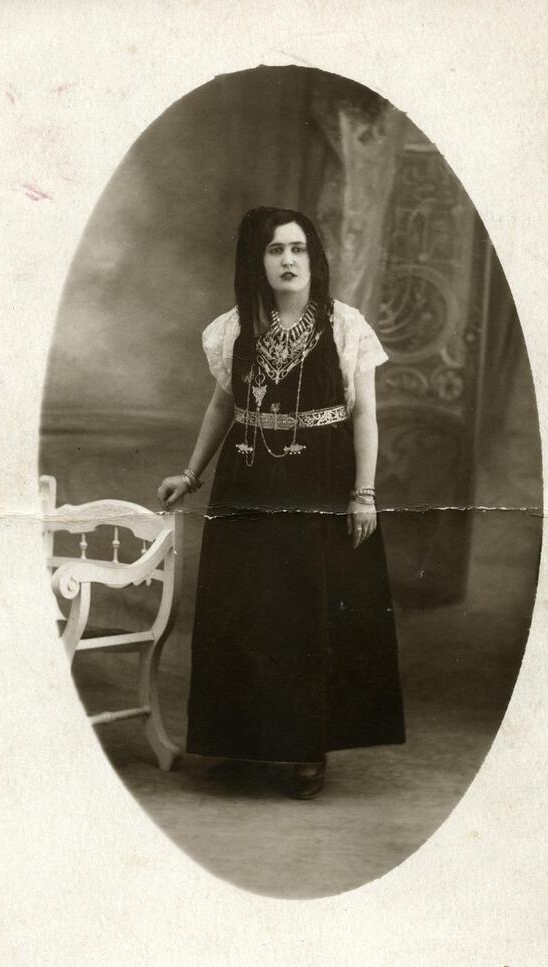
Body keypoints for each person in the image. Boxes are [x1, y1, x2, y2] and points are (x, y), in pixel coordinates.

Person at [158, 206, 405, 799]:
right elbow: (223, 406)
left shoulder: (346, 327)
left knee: (303, 616)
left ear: (313, 257)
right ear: (257, 261)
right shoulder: (232, 328)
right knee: (240, 613)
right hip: (246, 483)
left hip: (319, 484)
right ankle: (240, 746)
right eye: (274, 251)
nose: (288, 260)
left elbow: (366, 413)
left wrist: (363, 492)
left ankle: (304, 752)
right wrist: (191, 475)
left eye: (297, 248)